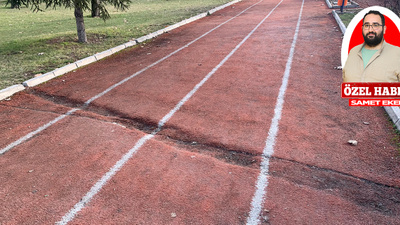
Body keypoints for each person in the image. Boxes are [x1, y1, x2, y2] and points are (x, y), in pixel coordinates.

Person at [343, 10, 400, 82]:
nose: (370, 30)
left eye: (375, 25)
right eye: (367, 25)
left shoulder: (397, 54)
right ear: (362, 29)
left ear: (384, 29)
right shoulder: (353, 52)